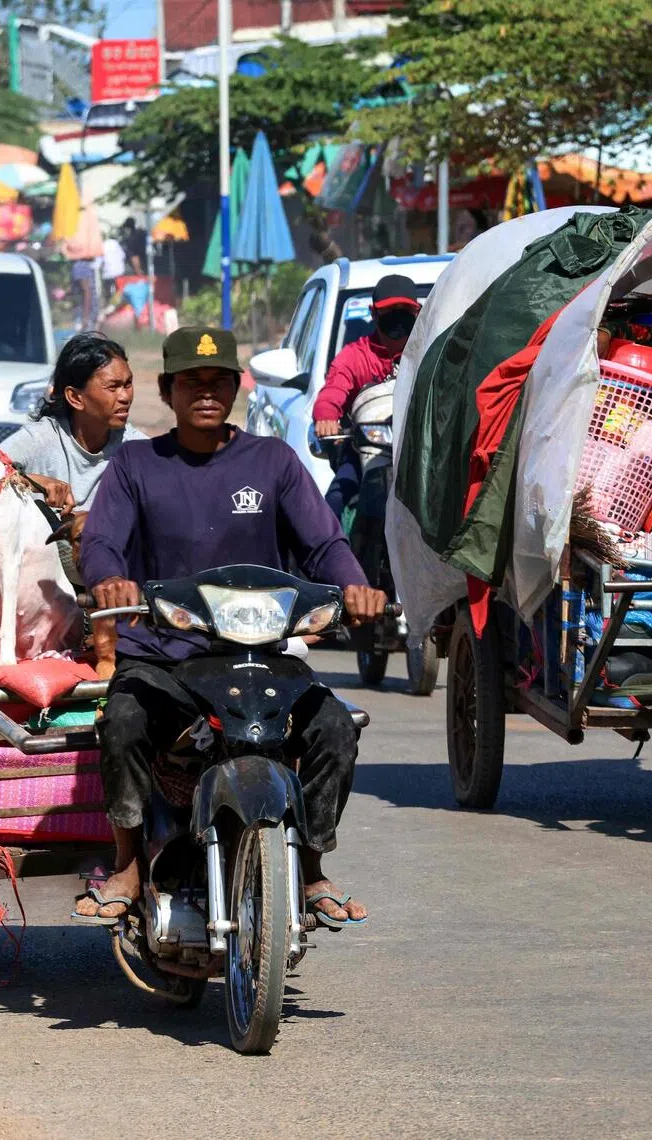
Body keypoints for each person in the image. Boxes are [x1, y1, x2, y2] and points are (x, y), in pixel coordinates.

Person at [76, 326, 386, 927]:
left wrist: (354, 586)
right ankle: (128, 863)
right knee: (123, 720)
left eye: (219, 381)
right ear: (167, 390)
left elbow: (324, 544)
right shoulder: (136, 465)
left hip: (259, 655)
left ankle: (312, 866)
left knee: (334, 729)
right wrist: (110, 580)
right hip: (164, 656)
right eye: (192, 382)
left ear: (237, 388)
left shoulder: (274, 462)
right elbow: (103, 541)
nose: (207, 393)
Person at [1, 332, 146, 514]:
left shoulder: (137, 449)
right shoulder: (40, 438)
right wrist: (32, 481)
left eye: (128, 384)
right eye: (112, 387)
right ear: (75, 398)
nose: (125, 396)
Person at [313, 274, 420, 519]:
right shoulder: (354, 356)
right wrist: (326, 416)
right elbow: (332, 392)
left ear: (417, 312)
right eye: (389, 311)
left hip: (420, 449)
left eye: (404, 311)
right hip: (362, 450)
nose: (397, 317)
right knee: (335, 501)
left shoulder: (429, 352)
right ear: (374, 314)